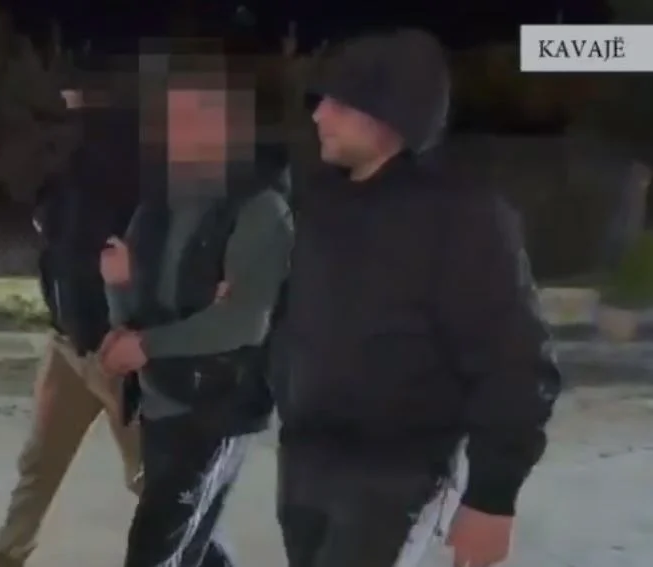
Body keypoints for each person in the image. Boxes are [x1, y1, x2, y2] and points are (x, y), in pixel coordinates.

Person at [270, 28, 562, 567]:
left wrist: (492, 498)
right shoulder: (322, 203)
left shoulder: (463, 218)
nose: (319, 115)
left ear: (394, 115)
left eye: (340, 103)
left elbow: (515, 363)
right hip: (306, 462)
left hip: (396, 473)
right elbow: (292, 321)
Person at [98, 54, 294, 567]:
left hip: (216, 407)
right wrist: (119, 289)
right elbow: (135, 313)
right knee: (195, 542)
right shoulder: (159, 204)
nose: (180, 134)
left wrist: (147, 344)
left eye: (196, 119)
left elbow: (244, 322)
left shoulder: (260, 208)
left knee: (156, 548)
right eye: (174, 120)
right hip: (160, 398)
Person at [0, 73, 143, 567]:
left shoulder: (127, 161)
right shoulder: (68, 162)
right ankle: (6, 556)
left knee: (153, 479)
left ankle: (202, 557)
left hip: (114, 351)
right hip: (66, 344)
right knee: (39, 464)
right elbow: (46, 219)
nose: (67, 100)